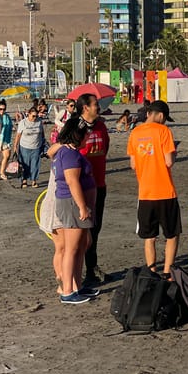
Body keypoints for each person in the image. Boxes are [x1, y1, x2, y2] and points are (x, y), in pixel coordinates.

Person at [127, 99, 180, 276]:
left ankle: (152, 270)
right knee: (171, 234)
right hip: (165, 191)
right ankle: (167, 271)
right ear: (161, 116)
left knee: (150, 237)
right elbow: (169, 161)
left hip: (145, 193)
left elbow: (133, 164)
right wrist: (173, 153)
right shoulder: (164, 131)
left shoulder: (135, 133)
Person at [51, 116, 98, 304]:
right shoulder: (69, 154)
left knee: (80, 247)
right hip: (72, 204)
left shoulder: (68, 151)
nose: (88, 138)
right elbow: (72, 181)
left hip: (74, 203)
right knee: (71, 249)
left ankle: (77, 286)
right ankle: (68, 291)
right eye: (85, 135)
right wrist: (82, 207)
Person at [76, 93, 110, 287]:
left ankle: (92, 268)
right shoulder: (77, 127)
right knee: (81, 231)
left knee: (95, 229)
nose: (98, 107)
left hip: (99, 185)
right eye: (95, 104)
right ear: (85, 108)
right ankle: (76, 272)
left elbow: (106, 147)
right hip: (81, 187)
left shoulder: (101, 126)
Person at [14, 106, 45, 187]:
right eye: (33, 116)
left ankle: (34, 180)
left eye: (36, 116)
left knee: (35, 165)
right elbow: (18, 135)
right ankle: (24, 180)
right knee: (25, 165)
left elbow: (42, 133)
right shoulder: (23, 123)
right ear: (28, 114)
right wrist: (15, 146)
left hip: (36, 147)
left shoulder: (39, 122)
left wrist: (43, 143)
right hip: (24, 147)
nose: (35, 118)